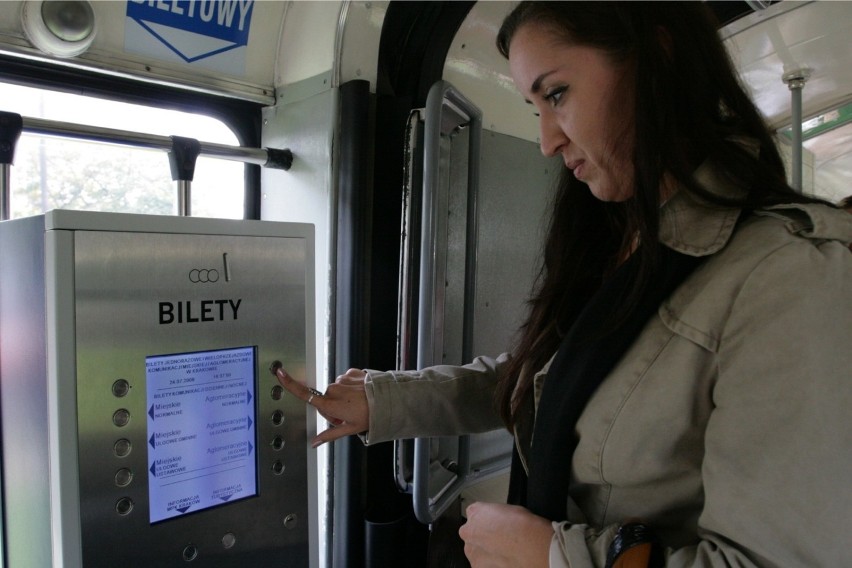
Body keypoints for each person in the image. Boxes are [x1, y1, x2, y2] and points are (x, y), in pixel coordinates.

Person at [274, 2, 852, 566]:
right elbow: (546, 382)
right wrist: (384, 399)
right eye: (535, 110)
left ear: (657, 58)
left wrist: (551, 556)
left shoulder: (792, 277)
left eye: (557, 95)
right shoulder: (626, 239)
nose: (549, 141)